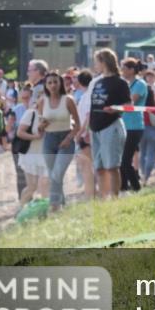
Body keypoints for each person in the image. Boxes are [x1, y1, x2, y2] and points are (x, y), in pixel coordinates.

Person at [88, 49, 130, 198]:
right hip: (95, 127)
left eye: (96, 62)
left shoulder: (120, 82)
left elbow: (128, 105)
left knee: (112, 166)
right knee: (99, 167)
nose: (95, 65)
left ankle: (114, 197)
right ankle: (104, 196)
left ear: (104, 62)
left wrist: (115, 109)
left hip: (111, 126)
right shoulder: (98, 82)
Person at [36, 71, 80, 212]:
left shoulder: (68, 100)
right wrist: (42, 125)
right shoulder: (42, 101)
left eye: (55, 82)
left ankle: (54, 206)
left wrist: (68, 139)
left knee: (57, 174)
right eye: (49, 83)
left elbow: (78, 125)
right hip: (49, 140)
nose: (53, 85)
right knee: (54, 175)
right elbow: (39, 129)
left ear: (61, 83)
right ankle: (62, 205)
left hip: (66, 139)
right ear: (46, 85)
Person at [119, 58, 147, 192]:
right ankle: (123, 188)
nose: (122, 71)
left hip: (134, 126)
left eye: (124, 69)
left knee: (126, 160)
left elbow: (130, 101)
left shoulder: (140, 84)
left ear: (131, 70)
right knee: (121, 160)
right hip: (124, 125)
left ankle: (136, 187)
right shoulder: (126, 84)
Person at [15, 99, 49, 208]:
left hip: (46, 155)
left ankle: (46, 211)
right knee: (32, 187)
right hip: (30, 155)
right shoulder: (31, 113)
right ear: (38, 100)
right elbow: (20, 132)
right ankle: (21, 209)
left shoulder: (52, 115)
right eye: (44, 99)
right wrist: (35, 137)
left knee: (46, 185)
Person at [73, 70, 96, 199]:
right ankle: (91, 192)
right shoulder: (86, 96)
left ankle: (90, 194)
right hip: (85, 133)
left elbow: (88, 117)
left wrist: (82, 132)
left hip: (86, 134)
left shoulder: (87, 97)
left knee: (86, 165)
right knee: (87, 165)